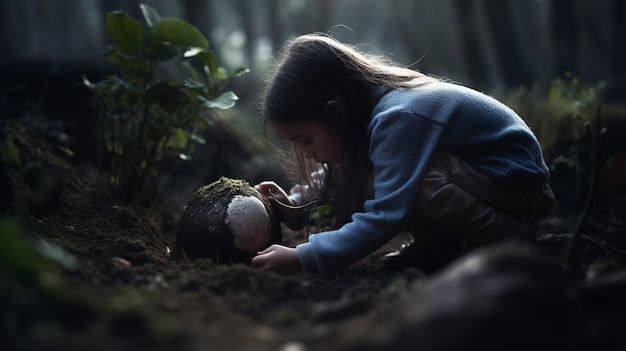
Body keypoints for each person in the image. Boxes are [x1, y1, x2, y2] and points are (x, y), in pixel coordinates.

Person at [251, 33, 555, 275]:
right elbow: (340, 181)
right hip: (485, 181)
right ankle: (438, 246)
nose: (308, 153)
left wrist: (303, 257)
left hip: (516, 183)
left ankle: (508, 237)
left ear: (336, 112)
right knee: (383, 176)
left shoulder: (396, 117)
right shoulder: (370, 119)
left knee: (413, 185)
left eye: (306, 140)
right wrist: (296, 206)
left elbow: (384, 215)